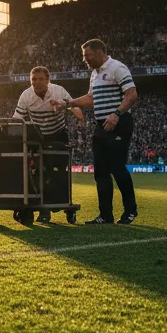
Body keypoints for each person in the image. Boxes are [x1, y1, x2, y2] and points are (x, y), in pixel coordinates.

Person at [52, 39, 138, 224]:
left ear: (100, 52)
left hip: (119, 122)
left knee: (116, 167)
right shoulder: (95, 74)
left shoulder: (117, 68)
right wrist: (67, 104)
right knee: (100, 172)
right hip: (102, 125)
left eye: (88, 56)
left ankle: (130, 211)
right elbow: (91, 99)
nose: (85, 60)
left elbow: (132, 95)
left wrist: (116, 114)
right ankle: (105, 215)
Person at [15, 66, 84, 223]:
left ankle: (58, 199)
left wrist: (78, 115)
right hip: (38, 137)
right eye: (33, 79)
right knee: (39, 171)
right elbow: (17, 118)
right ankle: (43, 208)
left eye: (40, 79)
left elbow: (73, 105)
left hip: (58, 134)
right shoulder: (26, 96)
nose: (37, 82)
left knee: (58, 171)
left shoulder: (59, 91)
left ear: (48, 80)